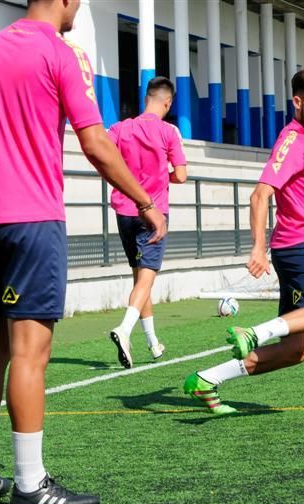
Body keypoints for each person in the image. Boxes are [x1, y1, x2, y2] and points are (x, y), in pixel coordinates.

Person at [0, 0, 165, 504]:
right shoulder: (61, 54)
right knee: (31, 353)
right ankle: (30, 483)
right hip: (31, 222)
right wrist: (144, 201)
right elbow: (95, 143)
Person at [183, 66, 304, 415]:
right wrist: (258, 247)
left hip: (302, 246)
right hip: (299, 245)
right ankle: (255, 332)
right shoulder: (293, 139)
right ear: (297, 102)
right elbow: (260, 195)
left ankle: (207, 379)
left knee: (295, 351)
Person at [108, 77, 187, 368]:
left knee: (140, 279)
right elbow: (181, 174)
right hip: (153, 212)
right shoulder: (168, 132)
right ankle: (124, 330)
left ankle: (153, 343)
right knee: (146, 277)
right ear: (168, 103)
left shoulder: (120, 128)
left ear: (147, 98)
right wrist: (158, 173)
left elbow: (105, 157)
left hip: (124, 211)